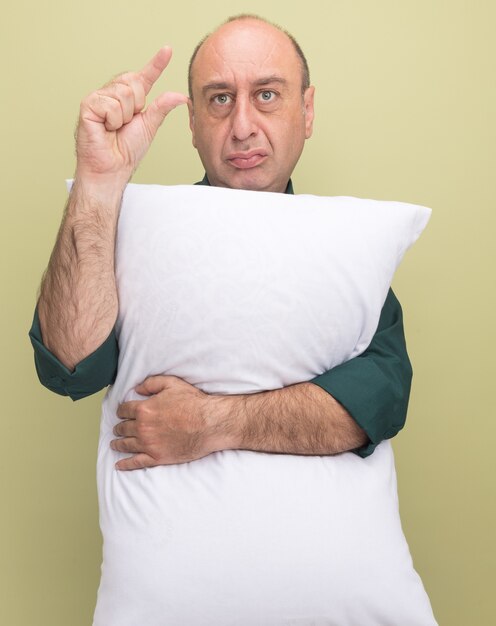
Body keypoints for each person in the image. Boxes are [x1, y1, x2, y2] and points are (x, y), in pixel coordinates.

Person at [29, 14, 412, 470]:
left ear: (306, 111)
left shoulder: (345, 245)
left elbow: (375, 402)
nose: (243, 126)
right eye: (220, 99)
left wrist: (213, 422)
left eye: (266, 95)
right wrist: (97, 181)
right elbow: (68, 368)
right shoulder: (136, 234)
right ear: (192, 121)